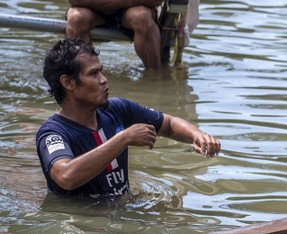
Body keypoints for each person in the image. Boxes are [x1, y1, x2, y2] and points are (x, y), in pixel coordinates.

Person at [35, 38, 221, 198]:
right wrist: (124, 138)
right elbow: (66, 176)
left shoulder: (118, 109)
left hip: (121, 210)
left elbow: (170, 125)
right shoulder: (53, 133)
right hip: (83, 226)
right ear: (68, 82)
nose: (103, 79)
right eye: (93, 73)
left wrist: (198, 135)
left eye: (101, 71)